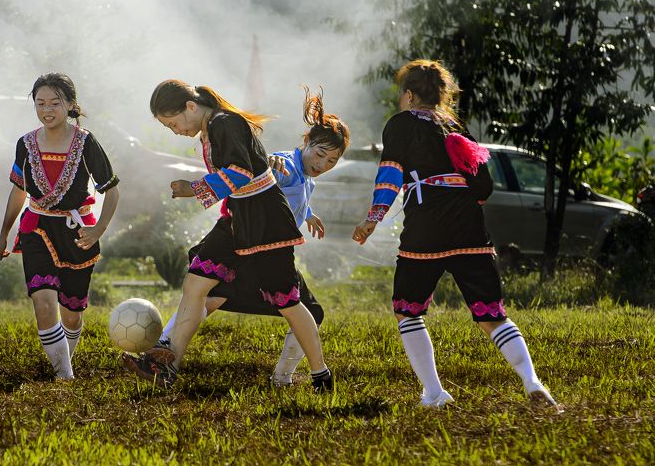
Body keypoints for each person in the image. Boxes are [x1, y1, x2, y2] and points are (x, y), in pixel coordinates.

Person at [352, 59, 559, 410]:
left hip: (426, 227)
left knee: (408, 310)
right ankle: (531, 380)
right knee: (492, 314)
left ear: (410, 95)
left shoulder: (401, 124)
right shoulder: (455, 127)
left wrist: (373, 218)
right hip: (470, 226)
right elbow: (483, 186)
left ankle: (434, 393)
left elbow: (389, 175)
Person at [122, 80, 332, 392]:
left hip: (265, 220)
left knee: (286, 300)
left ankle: (321, 375)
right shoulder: (212, 127)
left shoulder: (224, 123)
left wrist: (194, 188)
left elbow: (240, 173)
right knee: (195, 282)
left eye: (173, 123)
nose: (175, 130)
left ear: (191, 107)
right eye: (168, 127)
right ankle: (165, 365)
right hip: (237, 218)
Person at [0, 73, 120, 380]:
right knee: (43, 299)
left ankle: (65, 361)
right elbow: (19, 190)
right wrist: (4, 233)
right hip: (36, 227)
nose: (47, 109)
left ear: (70, 105)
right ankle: (64, 376)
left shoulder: (87, 143)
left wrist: (98, 229)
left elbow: (111, 190)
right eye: (40, 103)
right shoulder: (25, 144)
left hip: (78, 233)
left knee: (73, 312)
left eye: (54, 103)